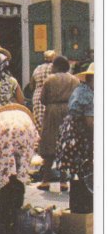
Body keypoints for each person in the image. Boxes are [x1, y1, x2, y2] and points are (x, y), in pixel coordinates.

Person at [0, 104, 40, 234]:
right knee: (20, 176)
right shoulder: (26, 117)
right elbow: (36, 139)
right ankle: (17, 220)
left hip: (4, 132)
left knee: (6, 178)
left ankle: (4, 225)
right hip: (25, 133)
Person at [38, 55, 79, 192]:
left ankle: (45, 181)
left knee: (49, 144)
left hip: (52, 112)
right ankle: (63, 181)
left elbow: (43, 99)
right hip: (68, 112)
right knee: (65, 145)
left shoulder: (50, 79)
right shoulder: (74, 80)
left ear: (56, 66)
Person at [57, 63, 94, 212]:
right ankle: (83, 210)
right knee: (85, 170)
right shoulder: (88, 95)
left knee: (78, 171)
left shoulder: (81, 89)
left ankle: (78, 209)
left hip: (72, 133)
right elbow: (90, 122)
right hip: (79, 134)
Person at [29, 50, 56, 133]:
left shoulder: (37, 68)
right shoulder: (54, 68)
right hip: (49, 96)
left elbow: (31, 85)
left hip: (37, 96)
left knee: (38, 124)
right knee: (49, 123)